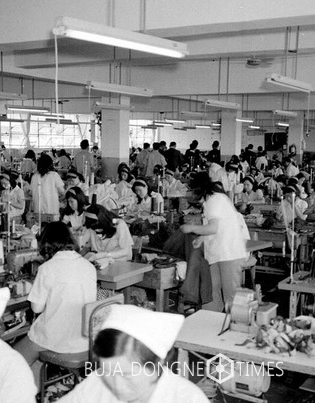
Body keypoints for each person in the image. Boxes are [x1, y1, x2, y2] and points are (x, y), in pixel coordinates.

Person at [58, 305, 207, 403]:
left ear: (157, 364)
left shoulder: (187, 398)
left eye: (127, 375)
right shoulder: (97, 383)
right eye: (107, 371)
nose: (116, 385)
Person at [14, 222, 96, 386]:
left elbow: (36, 308)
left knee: (12, 358)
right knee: (37, 360)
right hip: (84, 339)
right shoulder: (89, 266)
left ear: (46, 243)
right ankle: (35, 390)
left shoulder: (47, 268)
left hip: (58, 338)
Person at [180, 173, 249, 312]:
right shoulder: (213, 200)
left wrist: (191, 228)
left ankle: (235, 323)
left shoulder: (214, 200)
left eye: (191, 190)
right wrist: (202, 238)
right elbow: (220, 226)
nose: (190, 194)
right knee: (212, 292)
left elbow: (213, 228)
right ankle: (211, 321)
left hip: (228, 253)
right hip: (219, 253)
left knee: (231, 297)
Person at [30, 154, 66, 223]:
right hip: (52, 212)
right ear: (50, 164)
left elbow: (31, 193)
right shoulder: (54, 175)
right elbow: (63, 192)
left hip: (38, 211)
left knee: (40, 229)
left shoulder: (34, 177)